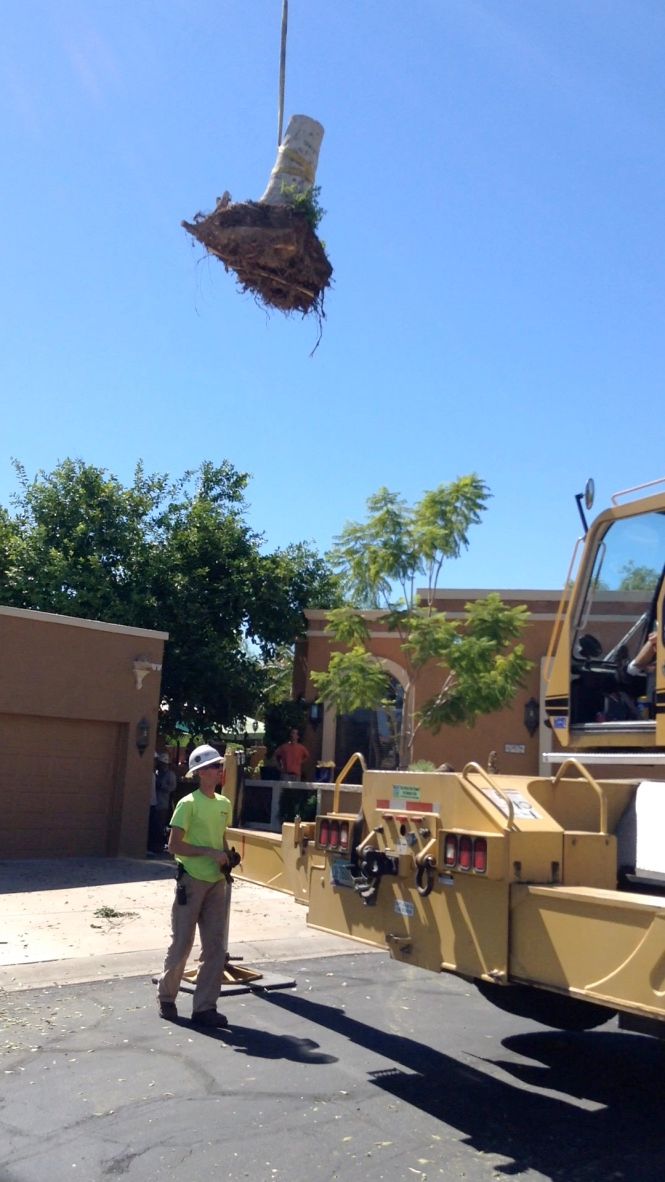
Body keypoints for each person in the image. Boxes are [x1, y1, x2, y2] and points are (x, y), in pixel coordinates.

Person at [157, 744, 232, 1027]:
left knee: (214, 947)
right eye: (214, 766)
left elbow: (220, 839)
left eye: (219, 765)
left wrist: (227, 855)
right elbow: (174, 845)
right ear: (200, 773)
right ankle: (166, 996)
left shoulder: (224, 805)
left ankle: (204, 1008)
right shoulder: (187, 804)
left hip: (216, 882)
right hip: (191, 881)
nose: (218, 770)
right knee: (183, 942)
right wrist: (210, 853)